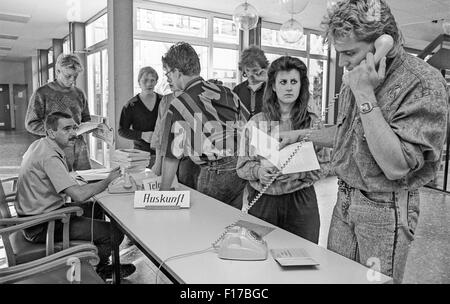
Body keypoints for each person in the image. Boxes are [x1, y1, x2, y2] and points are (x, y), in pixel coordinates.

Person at [280, 0, 448, 283]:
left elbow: (397, 166)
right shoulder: (357, 76)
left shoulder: (422, 83)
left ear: (384, 42)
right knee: (338, 278)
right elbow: (349, 134)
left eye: (349, 53)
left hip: (384, 208)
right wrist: (300, 135)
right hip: (344, 198)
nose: (343, 63)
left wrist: (366, 96)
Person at [16, 112, 136, 280]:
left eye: (74, 128)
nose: (73, 133)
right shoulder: (50, 156)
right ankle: (96, 271)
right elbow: (79, 195)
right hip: (42, 224)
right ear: (51, 132)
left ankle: (99, 262)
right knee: (114, 233)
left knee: (94, 209)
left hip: (37, 213)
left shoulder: (39, 145)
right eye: (66, 129)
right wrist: (108, 180)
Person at [237, 56, 326, 242]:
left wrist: (298, 174)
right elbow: (241, 166)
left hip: (301, 201)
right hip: (262, 200)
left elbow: (327, 164)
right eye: (283, 82)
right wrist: (259, 171)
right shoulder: (256, 123)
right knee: (259, 256)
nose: (289, 87)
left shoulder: (313, 124)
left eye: (294, 82)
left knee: (303, 256)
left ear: (301, 85)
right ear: (274, 86)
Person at [159, 42, 247, 209]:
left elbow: (172, 157)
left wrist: (162, 193)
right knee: (230, 223)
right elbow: (248, 129)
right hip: (239, 170)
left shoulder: (179, 105)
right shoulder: (228, 92)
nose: (168, 78)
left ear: (177, 72)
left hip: (214, 172)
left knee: (206, 226)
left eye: (168, 73)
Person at [25, 53, 92, 171]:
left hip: (79, 147)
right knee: (59, 184)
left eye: (75, 76)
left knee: (84, 180)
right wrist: (57, 132)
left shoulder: (79, 93)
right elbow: (31, 124)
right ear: (57, 71)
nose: (72, 80)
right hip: (54, 147)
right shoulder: (42, 93)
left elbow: (86, 118)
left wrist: (91, 127)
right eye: (68, 76)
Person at [150, 86, 201, 189]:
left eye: (171, 73)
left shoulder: (196, 98)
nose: (168, 79)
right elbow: (159, 131)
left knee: (187, 191)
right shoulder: (166, 99)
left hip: (189, 159)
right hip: (168, 155)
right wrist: (158, 162)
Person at [118, 66, 162, 168]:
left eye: (152, 80)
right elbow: (122, 131)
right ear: (139, 82)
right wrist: (142, 135)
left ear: (156, 82)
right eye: (145, 80)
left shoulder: (163, 101)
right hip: (140, 155)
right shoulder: (131, 105)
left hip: (162, 154)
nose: (149, 84)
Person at [233, 46, 269, 119]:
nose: (250, 75)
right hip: (243, 128)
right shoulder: (237, 90)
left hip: (267, 127)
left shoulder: (270, 88)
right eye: (247, 70)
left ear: (263, 68)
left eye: (255, 70)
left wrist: (268, 79)